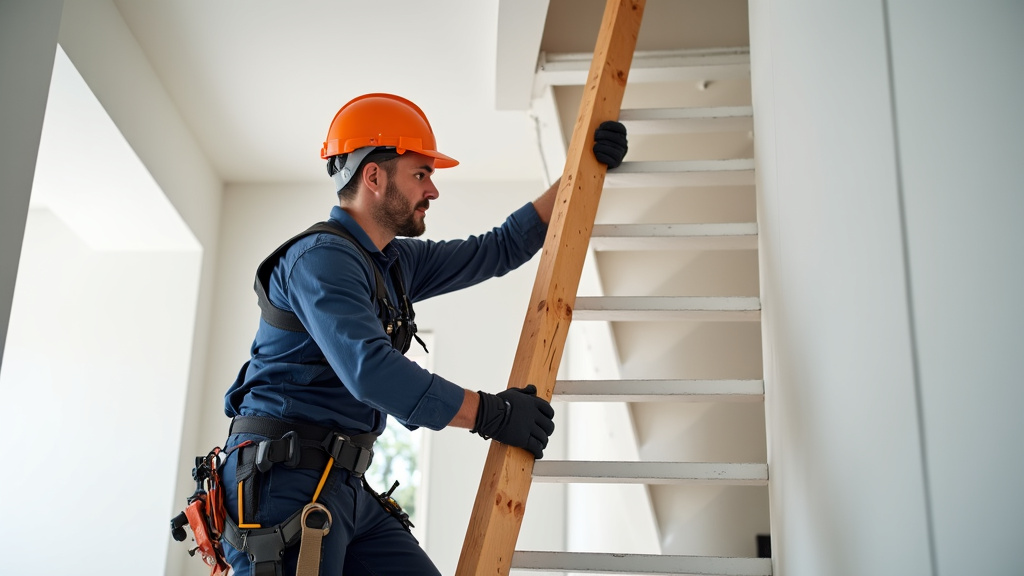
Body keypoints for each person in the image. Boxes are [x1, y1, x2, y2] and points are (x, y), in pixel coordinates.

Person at [218, 93, 628, 575]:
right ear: (374, 177)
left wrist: (580, 175)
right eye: (421, 174)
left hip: (341, 482)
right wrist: (490, 413)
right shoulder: (321, 259)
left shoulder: (394, 263)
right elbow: (371, 371)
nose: (432, 190)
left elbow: (497, 249)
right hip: (282, 483)